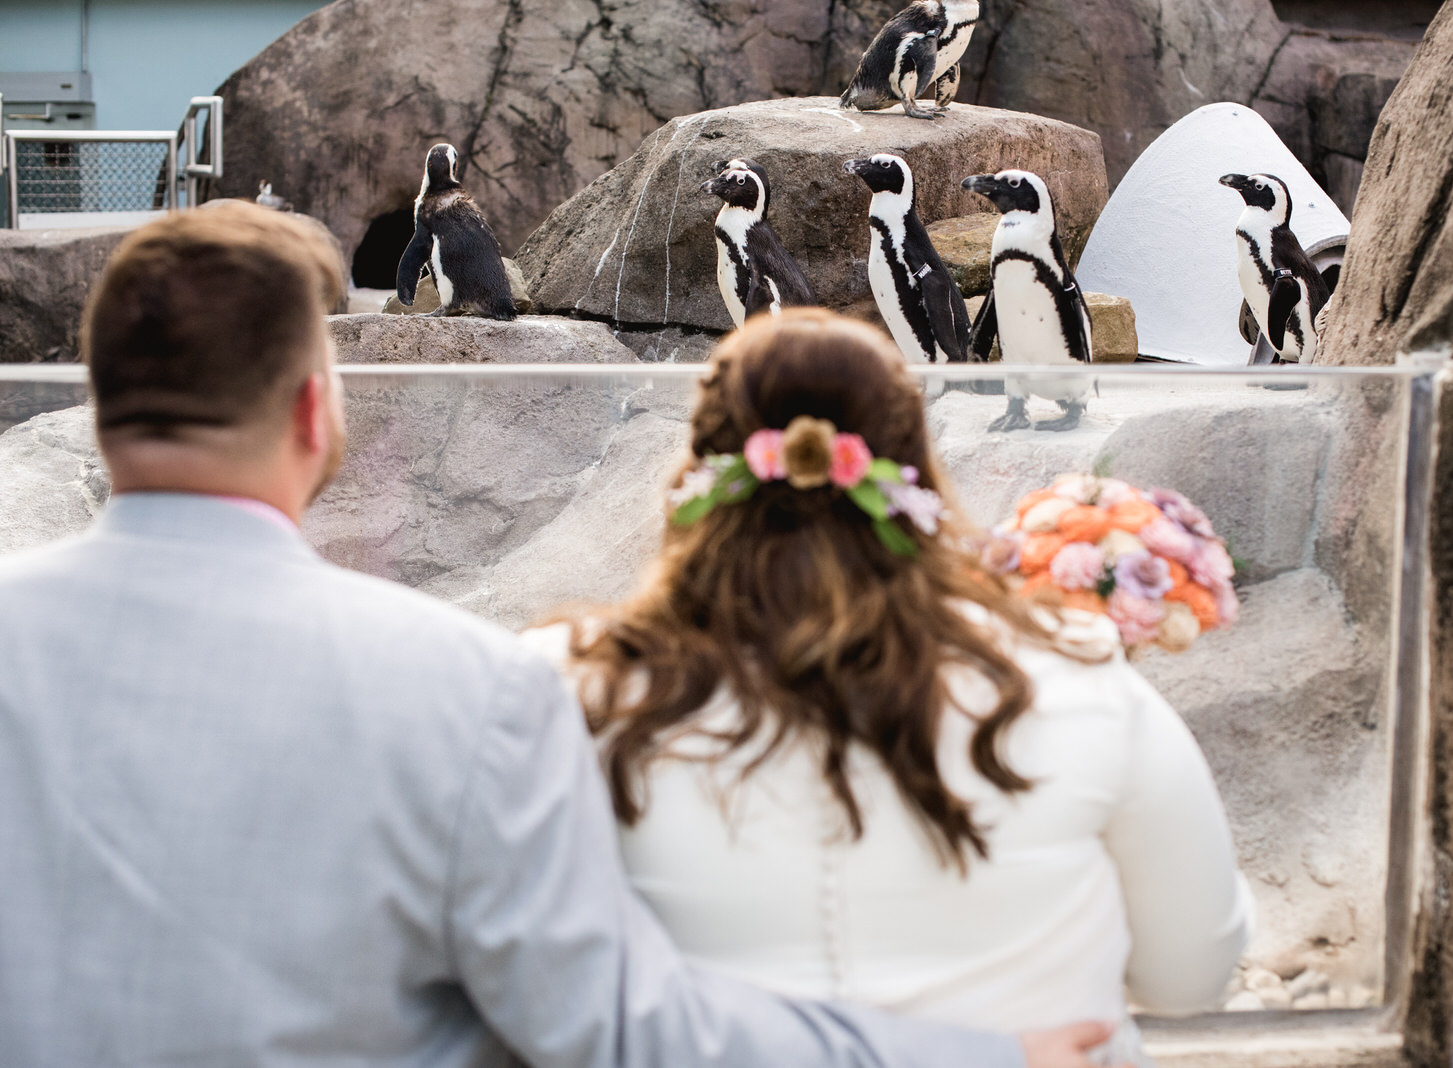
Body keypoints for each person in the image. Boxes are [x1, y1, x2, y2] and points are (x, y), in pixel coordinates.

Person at [0, 203, 1117, 1068]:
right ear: (312, 411)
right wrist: (964, 1055)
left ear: (95, 406)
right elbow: (620, 1029)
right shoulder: (461, 691)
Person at [526, 310, 1255, 1067]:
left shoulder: (570, 687)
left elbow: (528, 987)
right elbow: (1189, 977)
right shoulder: (1078, 673)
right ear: (920, 471)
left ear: (696, 474)